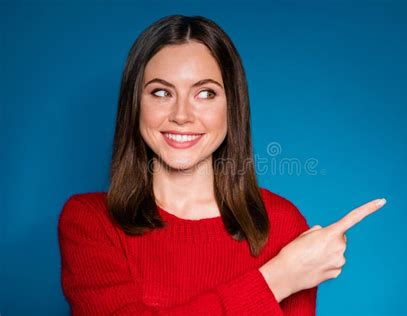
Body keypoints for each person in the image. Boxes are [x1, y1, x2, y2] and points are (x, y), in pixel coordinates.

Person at [58, 14, 386, 315]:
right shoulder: (90, 221)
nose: (182, 115)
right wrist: (277, 278)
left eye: (205, 94)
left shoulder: (283, 225)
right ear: (135, 105)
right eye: (161, 93)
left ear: (232, 106)